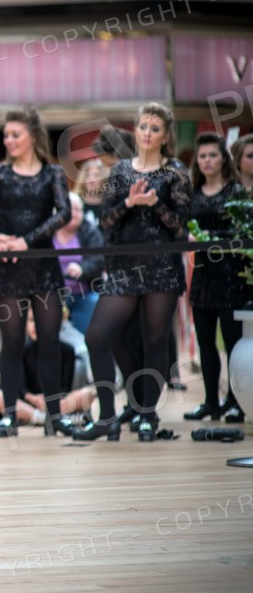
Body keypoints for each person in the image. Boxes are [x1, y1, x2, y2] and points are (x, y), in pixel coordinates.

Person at [74, 103, 191, 443]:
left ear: (165, 135)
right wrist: (129, 203)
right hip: (124, 268)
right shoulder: (121, 170)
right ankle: (107, 417)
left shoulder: (176, 171)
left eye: (155, 129)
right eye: (143, 127)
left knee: (155, 340)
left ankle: (147, 415)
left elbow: (182, 227)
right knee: (97, 336)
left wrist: (155, 204)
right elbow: (106, 222)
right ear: (135, 130)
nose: (147, 134)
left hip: (162, 267)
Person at [0, 106, 73, 438]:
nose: (9, 140)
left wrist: (28, 240)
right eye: (6, 135)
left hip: (44, 267)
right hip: (10, 268)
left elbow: (64, 213)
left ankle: (55, 417)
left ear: (33, 136)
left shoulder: (53, 173)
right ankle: (9, 417)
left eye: (15, 134)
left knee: (49, 344)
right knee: (11, 344)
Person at [184, 132, 248, 423]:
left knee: (233, 344)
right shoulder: (193, 193)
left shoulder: (236, 191)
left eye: (213, 155)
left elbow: (242, 231)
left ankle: (235, 402)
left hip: (231, 275)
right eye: (202, 156)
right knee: (206, 343)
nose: (207, 160)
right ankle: (211, 401)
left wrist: (209, 237)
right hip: (202, 276)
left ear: (224, 158)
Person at [52, 192, 105, 335]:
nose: (74, 213)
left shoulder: (90, 231)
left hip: (84, 292)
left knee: (94, 301)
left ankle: (85, 344)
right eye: (70, 209)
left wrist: (81, 268)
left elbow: (99, 259)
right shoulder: (48, 232)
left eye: (78, 209)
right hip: (53, 293)